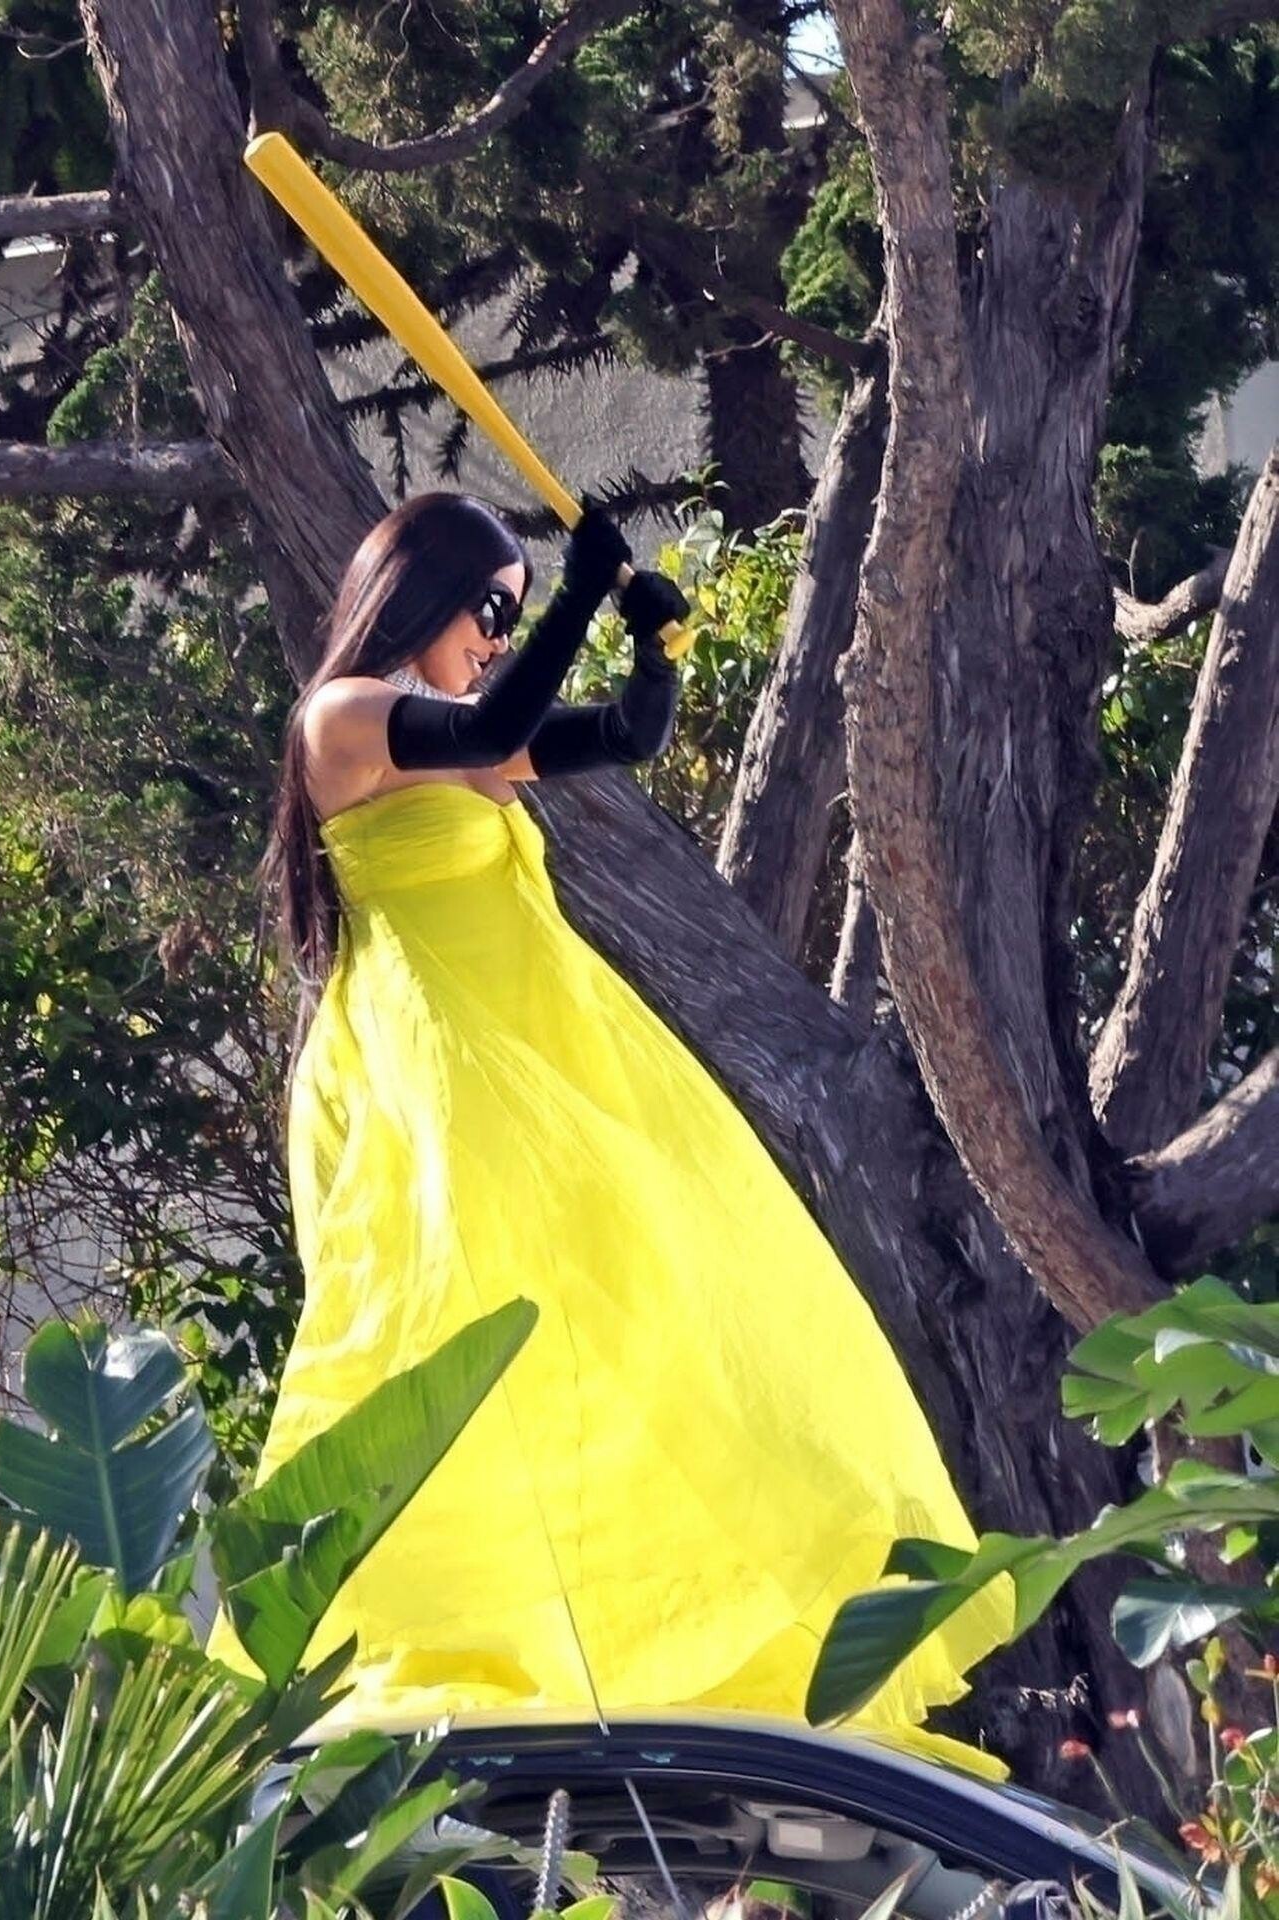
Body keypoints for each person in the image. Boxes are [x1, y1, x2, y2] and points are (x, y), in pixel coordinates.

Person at [207, 490, 1011, 1772]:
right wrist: (579, 590)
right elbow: (495, 724)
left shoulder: (459, 745)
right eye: (490, 607)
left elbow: (622, 734)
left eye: (510, 616)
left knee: (644, 1312)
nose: (495, 635)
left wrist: (654, 647)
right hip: (444, 1065)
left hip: (542, 1061)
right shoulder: (344, 720)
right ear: (419, 591)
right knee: (446, 1330)